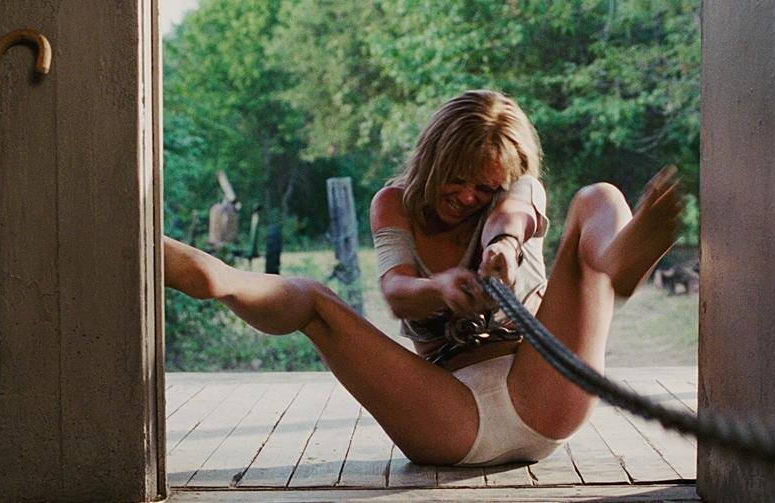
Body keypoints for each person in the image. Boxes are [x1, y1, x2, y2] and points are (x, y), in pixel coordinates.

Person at [163, 90, 683, 466]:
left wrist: (504, 246)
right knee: (313, 299)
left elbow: (511, 216)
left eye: (485, 188)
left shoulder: (518, 189)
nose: (468, 196)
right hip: (448, 416)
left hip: (543, 393)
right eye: (456, 179)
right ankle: (217, 278)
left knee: (598, 196)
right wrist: (440, 290)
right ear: (432, 159)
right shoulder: (394, 204)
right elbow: (397, 292)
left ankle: (617, 261)